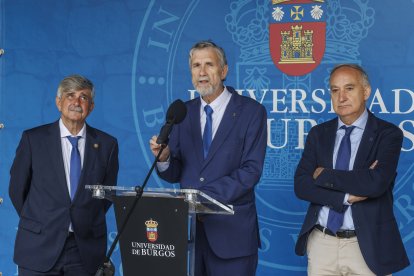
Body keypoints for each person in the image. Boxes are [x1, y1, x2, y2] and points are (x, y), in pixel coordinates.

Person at [149, 40, 267, 275]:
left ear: (224, 71)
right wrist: (164, 159)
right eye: (196, 65)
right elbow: (175, 172)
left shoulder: (251, 112)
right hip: (189, 235)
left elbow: (250, 171)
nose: (202, 72)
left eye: (209, 65)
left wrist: (200, 198)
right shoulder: (183, 112)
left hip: (232, 236)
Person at [294, 64, 410, 275]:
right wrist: (346, 197)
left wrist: (324, 175)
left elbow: (375, 184)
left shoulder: (388, 134)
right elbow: (301, 186)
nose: (341, 97)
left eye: (349, 88)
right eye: (335, 90)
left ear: (366, 92)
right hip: (322, 243)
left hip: (367, 245)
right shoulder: (319, 134)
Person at [9, 75, 119, 275]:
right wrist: (41, 220)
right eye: (70, 96)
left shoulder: (107, 145)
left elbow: (105, 195)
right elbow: (17, 190)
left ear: (91, 106)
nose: (77, 102)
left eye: (83, 97)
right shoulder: (33, 140)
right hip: (38, 246)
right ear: (59, 102)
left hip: (84, 250)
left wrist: (81, 218)